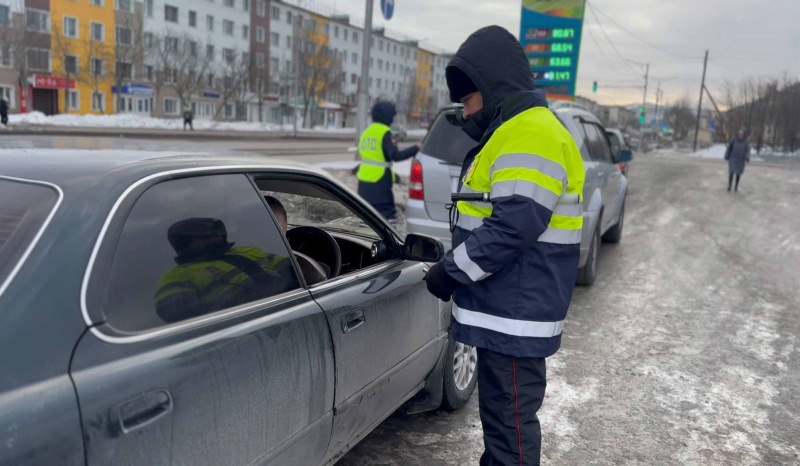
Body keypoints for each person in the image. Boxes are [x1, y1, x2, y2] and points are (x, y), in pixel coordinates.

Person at [424, 26, 585, 465]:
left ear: (490, 87)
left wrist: (449, 272)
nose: (465, 110)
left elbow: (513, 227)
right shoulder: (515, 131)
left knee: (509, 427)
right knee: (503, 423)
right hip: (509, 309)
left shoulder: (530, 133)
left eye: (468, 99)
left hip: (516, 314)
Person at [154, 218, 295, 323]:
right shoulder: (177, 275)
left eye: (219, 233)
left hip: (286, 312)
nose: (218, 237)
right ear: (186, 244)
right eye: (207, 236)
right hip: (241, 332)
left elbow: (295, 270)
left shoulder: (247, 251)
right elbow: (179, 316)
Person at [357, 101, 419, 221]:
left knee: (366, 217)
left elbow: (368, 156)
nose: (392, 119)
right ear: (387, 115)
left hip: (364, 182)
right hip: (379, 183)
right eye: (392, 116)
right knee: (386, 217)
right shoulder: (385, 133)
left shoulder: (366, 132)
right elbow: (395, 155)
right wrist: (415, 148)